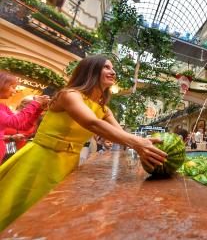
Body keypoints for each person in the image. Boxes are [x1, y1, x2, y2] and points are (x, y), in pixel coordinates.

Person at [0, 55, 167, 231]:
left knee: (49, 219)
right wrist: (137, 144)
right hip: (40, 161)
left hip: (68, 164)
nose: (113, 71)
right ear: (91, 70)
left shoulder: (103, 108)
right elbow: (92, 123)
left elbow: (121, 134)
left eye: (112, 68)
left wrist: (144, 143)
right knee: (21, 215)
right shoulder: (69, 95)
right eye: (106, 67)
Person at [0, 72, 49, 164]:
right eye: (13, 87)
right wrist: (36, 103)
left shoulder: (3, 107)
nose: (15, 91)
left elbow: (23, 126)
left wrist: (38, 110)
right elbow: (14, 122)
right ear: (2, 84)